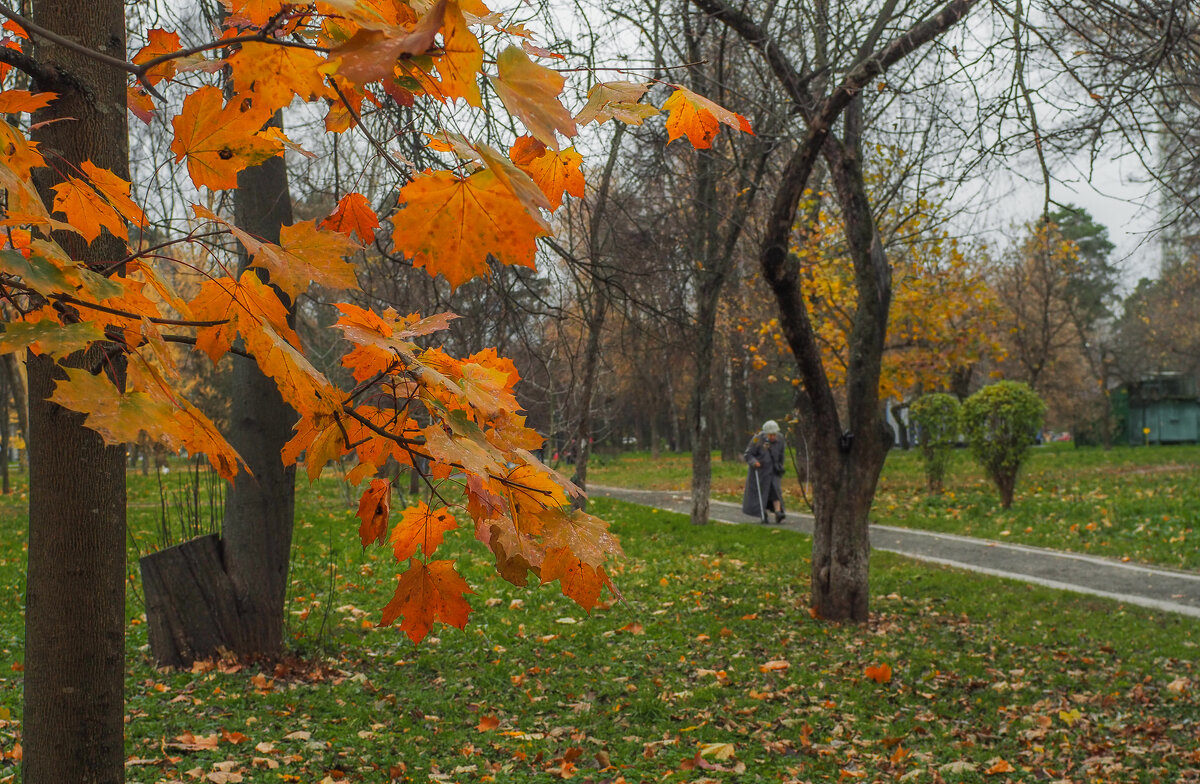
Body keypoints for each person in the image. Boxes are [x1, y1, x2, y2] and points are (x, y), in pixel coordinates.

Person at [742, 420, 786, 524]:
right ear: (765, 433)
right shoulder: (757, 438)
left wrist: (780, 466)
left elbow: (781, 455)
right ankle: (763, 514)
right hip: (760, 471)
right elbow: (748, 454)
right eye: (770, 435)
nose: (772, 437)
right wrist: (754, 462)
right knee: (762, 493)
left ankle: (778, 512)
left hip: (774, 470)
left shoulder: (780, 439)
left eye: (774, 434)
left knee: (776, 490)